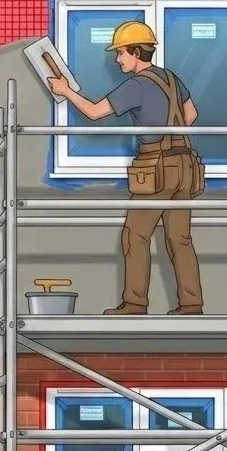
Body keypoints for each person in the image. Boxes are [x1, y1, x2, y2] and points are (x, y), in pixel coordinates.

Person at [47, 22, 205, 316]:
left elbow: (95, 113)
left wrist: (66, 91)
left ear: (135, 52)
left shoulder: (137, 85)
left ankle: (134, 304)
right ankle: (191, 304)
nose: (117, 59)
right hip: (185, 163)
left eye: (120, 53)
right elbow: (191, 113)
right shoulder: (170, 78)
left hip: (157, 166)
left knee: (135, 234)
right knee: (180, 238)